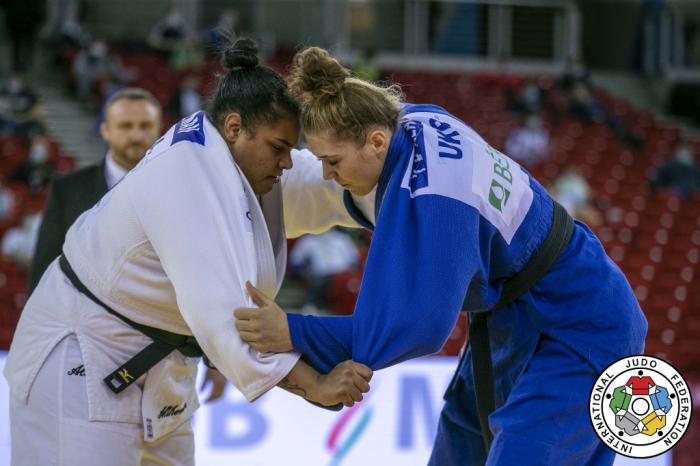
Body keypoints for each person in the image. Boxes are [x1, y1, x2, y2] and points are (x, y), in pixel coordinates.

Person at [234, 46, 647, 465]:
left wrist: (292, 331)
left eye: (332, 161)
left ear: (376, 142)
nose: (327, 174)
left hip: (581, 320)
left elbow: (415, 328)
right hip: (513, 313)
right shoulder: (414, 119)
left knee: (521, 452)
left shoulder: (436, 198)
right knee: (458, 446)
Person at [4, 39, 371, 466]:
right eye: (278, 148)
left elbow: (316, 185)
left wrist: (391, 185)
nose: (287, 161)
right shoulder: (188, 176)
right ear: (234, 128)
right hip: (80, 355)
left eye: (290, 149)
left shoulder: (229, 158)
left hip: (162, 363)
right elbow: (226, 318)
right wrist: (316, 384)